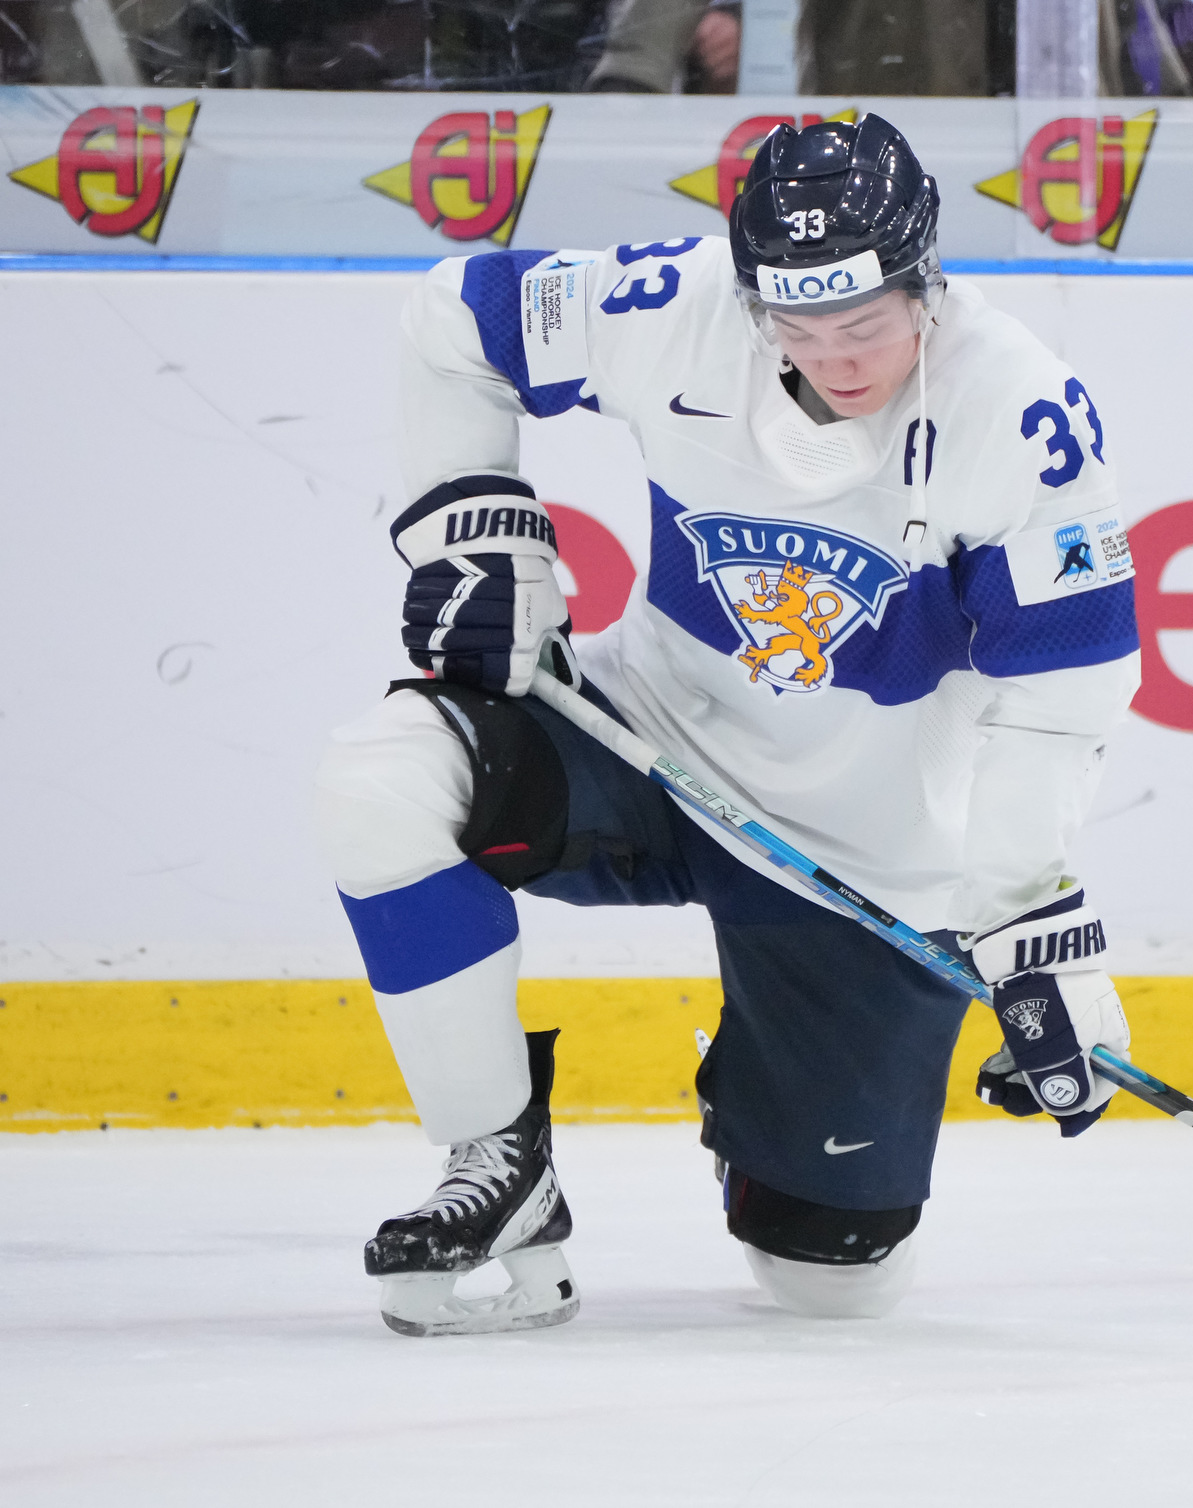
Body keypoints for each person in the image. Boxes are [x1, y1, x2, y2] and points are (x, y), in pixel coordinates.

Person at [314, 115, 1141, 1336]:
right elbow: (454, 319)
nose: (831, 356)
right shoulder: (680, 303)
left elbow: (1063, 696)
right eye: (794, 326)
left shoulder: (1019, 411)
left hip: (862, 857)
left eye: (862, 323)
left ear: (924, 280)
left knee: (830, 1277)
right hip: (646, 740)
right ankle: (497, 1162)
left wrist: (1028, 920)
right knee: (380, 781)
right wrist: (472, 527)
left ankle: (772, 1114)